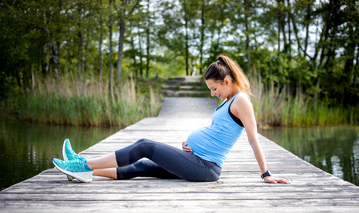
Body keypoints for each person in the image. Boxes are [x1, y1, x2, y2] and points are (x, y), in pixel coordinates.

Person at [53, 55, 290, 184]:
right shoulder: (228, 101)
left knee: (145, 145)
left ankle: (83, 164)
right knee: (142, 166)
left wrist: (265, 173)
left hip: (206, 169)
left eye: (214, 88)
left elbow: (253, 139)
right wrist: (192, 146)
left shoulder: (241, 101)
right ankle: (86, 173)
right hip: (196, 161)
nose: (212, 93)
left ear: (227, 81)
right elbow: (218, 132)